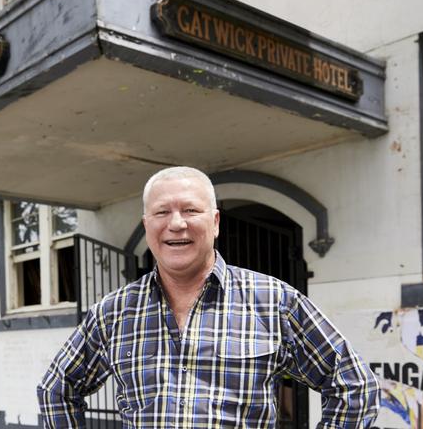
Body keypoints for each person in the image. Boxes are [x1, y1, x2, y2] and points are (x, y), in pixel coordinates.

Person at [38, 166, 380, 428]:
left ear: (215, 222)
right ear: (147, 226)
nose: (176, 224)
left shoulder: (273, 301)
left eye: (190, 210)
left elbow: (355, 386)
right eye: (161, 212)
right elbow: (56, 389)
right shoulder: (112, 313)